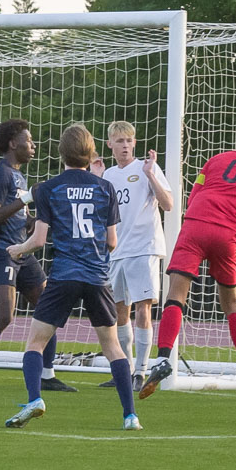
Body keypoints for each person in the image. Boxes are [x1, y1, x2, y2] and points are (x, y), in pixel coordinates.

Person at [3, 124, 139, 430]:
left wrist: (17, 250)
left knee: (36, 343)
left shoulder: (49, 188)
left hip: (65, 275)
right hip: (96, 276)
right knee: (113, 347)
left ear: (61, 153)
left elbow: (38, 240)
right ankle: (130, 415)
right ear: (91, 153)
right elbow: (112, 241)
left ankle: (35, 398)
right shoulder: (105, 188)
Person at [139, 120, 236, 400]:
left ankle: (163, 359)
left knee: (175, 297)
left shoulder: (215, 160)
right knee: (231, 303)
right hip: (226, 235)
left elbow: (194, 195)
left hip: (194, 225)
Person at [0, 119, 73, 393]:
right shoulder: (0, 174)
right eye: (28, 141)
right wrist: (27, 199)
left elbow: (19, 214)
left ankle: (47, 375)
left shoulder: (18, 175)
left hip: (22, 252)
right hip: (1, 252)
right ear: (12, 143)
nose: (34, 146)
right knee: (5, 316)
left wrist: (34, 218)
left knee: (48, 310)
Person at [90, 121, 173, 390]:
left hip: (143, 247)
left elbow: (168, 204)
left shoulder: (147, 168)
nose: (125, 145)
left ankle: (141, 371)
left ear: (134, 143)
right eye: (119, 140)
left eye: (129, 140)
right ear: (110, 144)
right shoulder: (108, 174)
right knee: (118, 311)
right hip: (116, 251)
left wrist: (150, 174)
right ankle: (123, 370)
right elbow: (95, 211)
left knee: (143, 308)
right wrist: (97, 178)